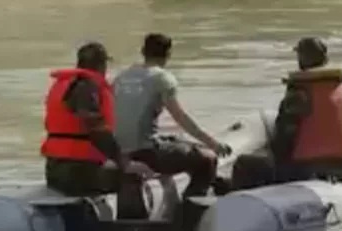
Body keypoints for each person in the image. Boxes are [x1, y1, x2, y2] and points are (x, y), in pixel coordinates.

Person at [111, 33, 232, 207]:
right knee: (207, 159)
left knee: (177, 142)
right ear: (168, 55)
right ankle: (190, 211)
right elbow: (180, 117)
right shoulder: (162, 78)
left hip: (119, 151)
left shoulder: (120, 78)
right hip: (146, 153)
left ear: (143, 51)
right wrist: (213, 143)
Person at [231, 37, 342, 189]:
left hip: (305, 170)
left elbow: (283, 140)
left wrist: (271, 156)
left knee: (244, 163)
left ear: (302, 59)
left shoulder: (299, 93)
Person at [41, 42, 151, 197]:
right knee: (132, 176)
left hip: (55, 169)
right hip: (77, 172)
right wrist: (124, 163)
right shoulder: (85, 87)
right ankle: (131, 222)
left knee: (117, 168)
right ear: (101, 65)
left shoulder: (64, 84)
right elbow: (96, 129)